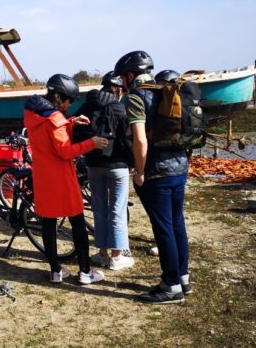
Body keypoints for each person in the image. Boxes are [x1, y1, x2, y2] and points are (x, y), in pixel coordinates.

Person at [114, 51, 190, 304]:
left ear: (129, 75)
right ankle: (182, 277)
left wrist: (139, 171)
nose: (121, 84)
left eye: (122, 79)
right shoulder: (164, 91)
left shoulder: (136, 97)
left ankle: (170, 286)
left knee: (163, 228)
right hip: (179, 168)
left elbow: (140, 140)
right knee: (177, 223)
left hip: (156, 173)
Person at [24, 74, 109, 284]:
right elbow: (65, 151)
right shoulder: (56, 119)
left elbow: (48, 134)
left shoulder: (33, 113)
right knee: (78, 222)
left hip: (43, 177)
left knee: (48, 224)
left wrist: (70, 122)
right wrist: (93, 142)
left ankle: (55, 272)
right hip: (62, 178)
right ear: (58, 97)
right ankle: (85, 272)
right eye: (69, 100)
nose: (70, 104)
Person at [74, 71, 135, 271]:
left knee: (99, 209)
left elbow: (75, 129)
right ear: (117, 88)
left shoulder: (87, 105)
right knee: (117, 209)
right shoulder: (119, 108)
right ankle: (117, 257)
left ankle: (101, 254)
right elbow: (126, 140)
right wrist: (133, 162)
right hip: (117, 166)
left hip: (93, 164)